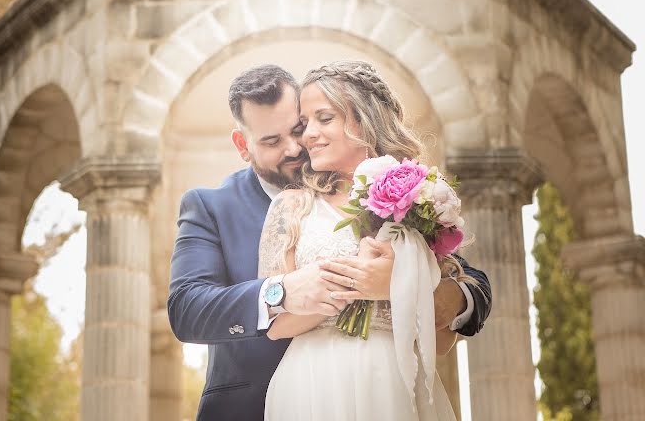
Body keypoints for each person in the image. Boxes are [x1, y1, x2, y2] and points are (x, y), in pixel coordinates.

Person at [168, 64, 491, 421]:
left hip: (390, 384)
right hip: (276, 398)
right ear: (243, 146)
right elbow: (187, 309)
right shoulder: (213, 206)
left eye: (298, 128)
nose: (296, 146)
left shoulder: (401, 193)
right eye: (272, 141)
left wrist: (418, 291)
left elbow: (465, 282)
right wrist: (282, 293)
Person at [261, 60, 475, 420]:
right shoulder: (292, 207)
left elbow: (442, 341)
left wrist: (397, 285)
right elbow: (274, 326)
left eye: (324, 118)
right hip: (314, 381)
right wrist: (344, 286)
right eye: (304, 123)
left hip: (396, 379)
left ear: (364, 119)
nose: (308, 134)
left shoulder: (420, 202)